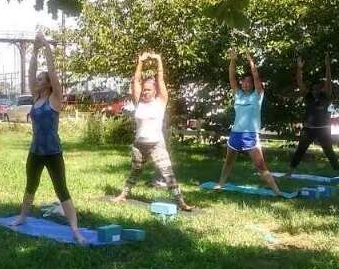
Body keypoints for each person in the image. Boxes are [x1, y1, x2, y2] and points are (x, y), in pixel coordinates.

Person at [12, 31, 87, 245]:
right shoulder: (36, 97)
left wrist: (46, 46)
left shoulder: (55, 99)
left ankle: (75, 230)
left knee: (61, 189)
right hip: (35, 151)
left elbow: (52, 72)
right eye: (37, 79)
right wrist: (34, 50)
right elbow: (30, 72)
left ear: (48, 83)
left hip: (53, 152)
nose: (36, 80)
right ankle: (22, 217)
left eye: (40, 79)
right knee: (30, 185)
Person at [113, 51, 193, 210]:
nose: (145, 92)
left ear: (155, 91)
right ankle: (123, 194)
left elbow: (160, 78)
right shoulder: (138, 102)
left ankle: (181, 202)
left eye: (148, 90)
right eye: (144, 90)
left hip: (156, 144)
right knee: (135, 171)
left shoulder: (161, 102)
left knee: (168, 173)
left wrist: (158, 60)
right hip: (139, 145)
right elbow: (136, 80)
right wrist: (140, 62)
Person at [212, 49, 283, 195]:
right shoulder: (238, 95)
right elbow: (231, 77)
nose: (245, 84)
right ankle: (220, 183)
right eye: (243, 81)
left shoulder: (258, 96)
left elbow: (256, 76)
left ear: (253, 84)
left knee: (260, 165)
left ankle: (277, 191)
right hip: (235, 134)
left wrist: (251, 61)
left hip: (250, 135)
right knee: (228, 162)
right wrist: (233, 60)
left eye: (248, 82)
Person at [288, 52, 339, 174]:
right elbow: (300, 83)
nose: (316, 90)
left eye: (318, 88)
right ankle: (290, 171)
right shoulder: (308, 96)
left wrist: (327, 65)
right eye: (313, 89)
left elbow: (329, 80)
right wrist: (299, 68)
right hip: (309, 129)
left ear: (321, 88)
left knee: (329, 151)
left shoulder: (326, 96)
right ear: (311, 90)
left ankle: (338, 172)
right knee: (300, 150)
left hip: (323, 129)